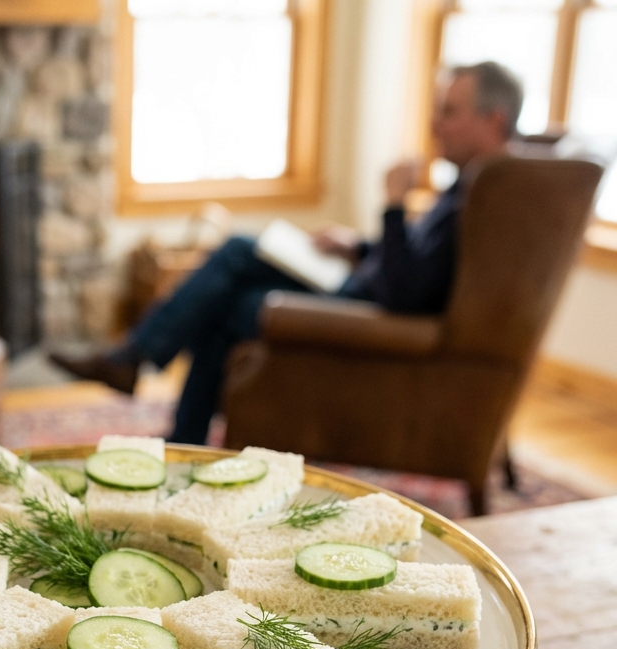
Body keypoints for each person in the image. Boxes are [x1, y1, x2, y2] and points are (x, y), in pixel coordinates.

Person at [53, 61, 525, 445]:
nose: (434, 123)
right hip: (362, 288)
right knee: (238, 259)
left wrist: (395, 206)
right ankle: (166, 408)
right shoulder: (480, 184)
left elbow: (407, 292)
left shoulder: (489, 194)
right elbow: (424, 266)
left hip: (376, 315)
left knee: (228, 293)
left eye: (449, 110)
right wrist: (357, 245)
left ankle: (149, 379)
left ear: (495, 119)